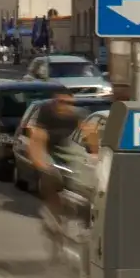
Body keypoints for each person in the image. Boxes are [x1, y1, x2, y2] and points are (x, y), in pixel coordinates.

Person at [28, 91, 97, 232]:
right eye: (61, 102)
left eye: (70, 103)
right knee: (51, 176)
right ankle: (53, 213)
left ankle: (82, 217)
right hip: (48, 147)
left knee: (80, 174)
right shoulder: (46, 113)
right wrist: (40, 162)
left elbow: (90, 133)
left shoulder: (77, 114)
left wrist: (95, 152)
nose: (65, 106)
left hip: (65, 145)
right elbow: (38, 137)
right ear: (55, 102)